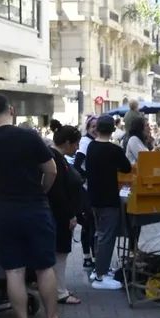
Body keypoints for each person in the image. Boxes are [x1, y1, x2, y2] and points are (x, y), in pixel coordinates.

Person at [0, 94, 67, 318]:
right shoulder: (29, 136)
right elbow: (52, 169)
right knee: (45, 268)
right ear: (12, 110)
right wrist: (42, 191)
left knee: (13, 271)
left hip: (2, 210)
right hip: (35, 207)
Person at [84, 114, 132, 290]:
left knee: (99, 234)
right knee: (106, 237)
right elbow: (126, 167)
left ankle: (99, 268)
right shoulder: (114, 150)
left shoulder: (91, 147)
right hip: (109, 199)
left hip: (94, 198)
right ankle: (100, 276)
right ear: (113, 130)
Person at [47, 123, 84, 306]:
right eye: (75, 144)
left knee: (58, 255)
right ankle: (59, 291)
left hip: (58, 213)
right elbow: (58, 192)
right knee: (59, 255)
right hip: (59, 215)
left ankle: (57, 289)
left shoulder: (55, 157)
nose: (77, 148)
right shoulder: (56, 159)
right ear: (67, 143)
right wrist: (70, 215)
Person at [74, 115, 98, 270]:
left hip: (91, 190)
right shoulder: (85, 142)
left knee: (91, 226)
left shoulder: (93, 142)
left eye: (98, 126)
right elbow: (77, 164)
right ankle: (88, 258)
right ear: (88, 128)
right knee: (89, 225)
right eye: (93, 126)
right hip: (86, 191)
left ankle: (91, 258)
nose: (95, 129)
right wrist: (86, 177)